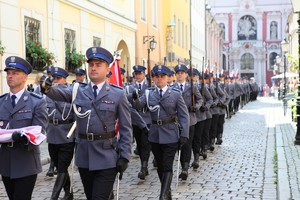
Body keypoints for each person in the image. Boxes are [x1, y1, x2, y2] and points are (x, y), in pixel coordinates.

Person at [41, 47, 132, 200]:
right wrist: (46, 86)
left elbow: (126, 128)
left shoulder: (118, 94)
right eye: (91, 65)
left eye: (98, 64)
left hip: (107, 155)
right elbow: (56, 93)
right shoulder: (78, 90)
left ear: (107, 68)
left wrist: (125, 156)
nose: (94, 68)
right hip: (85, 156)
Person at [132, 65, 189, 199]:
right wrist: (134, 97)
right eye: (156, 76)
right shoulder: (148, 93)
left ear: (168, 78)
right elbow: (138, 106)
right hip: (155, 135)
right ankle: (167, 191)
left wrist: (184, 134)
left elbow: (183, 115)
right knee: (160, 166)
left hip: (170, 134)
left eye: (162, 76)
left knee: (168, 164)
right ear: (153, 78)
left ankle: (162, 195)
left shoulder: (175, 94)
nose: (159, 79)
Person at [0, 56, 48, 200]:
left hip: (26, 161)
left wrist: (24, 138)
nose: (10, 76)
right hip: (6, 162)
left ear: (25, 77)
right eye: (8, 73)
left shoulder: (36, 102)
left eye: (15, 73)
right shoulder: (1, 102)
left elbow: (40, 131)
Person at [46, 67, 75, 200]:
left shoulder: (72, 93)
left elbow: (77, 115)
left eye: (58, 78)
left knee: (62, 168)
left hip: (67, 135)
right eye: (53, 78)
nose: (55, 81)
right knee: (59, 166)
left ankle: (54, 196)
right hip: (52, 134)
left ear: (65, 79)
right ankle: (68, 193)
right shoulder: (48, 93)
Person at [172, 65, 202, 180]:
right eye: (178, 73)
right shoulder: (172, 87)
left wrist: (196, 107)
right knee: (180, 144)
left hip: (190, 119)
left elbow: (200, 99)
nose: (180, 74)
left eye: (182, 72)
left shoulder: (192, 87)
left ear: (186, 75)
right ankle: (182, 164)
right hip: (176, 120)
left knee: (188, 144)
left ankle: (185, 168)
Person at [125, 65, 152, 180]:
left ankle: (144, 166)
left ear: (144, 74)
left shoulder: (150, 86)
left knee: (146, 144)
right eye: (136, 74)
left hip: (148, 119)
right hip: (136, 120)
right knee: (140, 145)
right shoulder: (130, 88)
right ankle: (143, 163)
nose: (138, 76)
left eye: (140, 74)